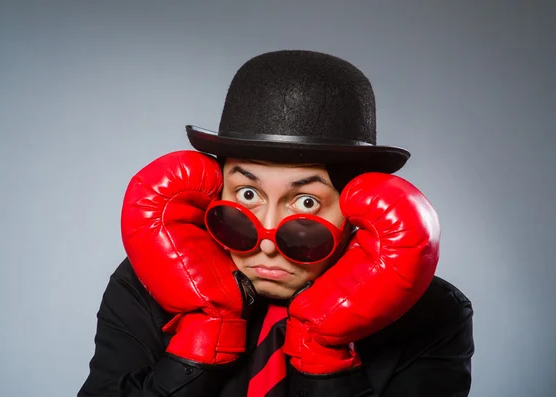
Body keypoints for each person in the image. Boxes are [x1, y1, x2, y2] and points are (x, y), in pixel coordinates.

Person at [78, 50, 474, 397]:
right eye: (247, 195)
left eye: (306, 201)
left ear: (357, 211)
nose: (266, 240)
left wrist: (324, 356)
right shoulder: (144, 284)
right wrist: (198, 346)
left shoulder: (434, 314)